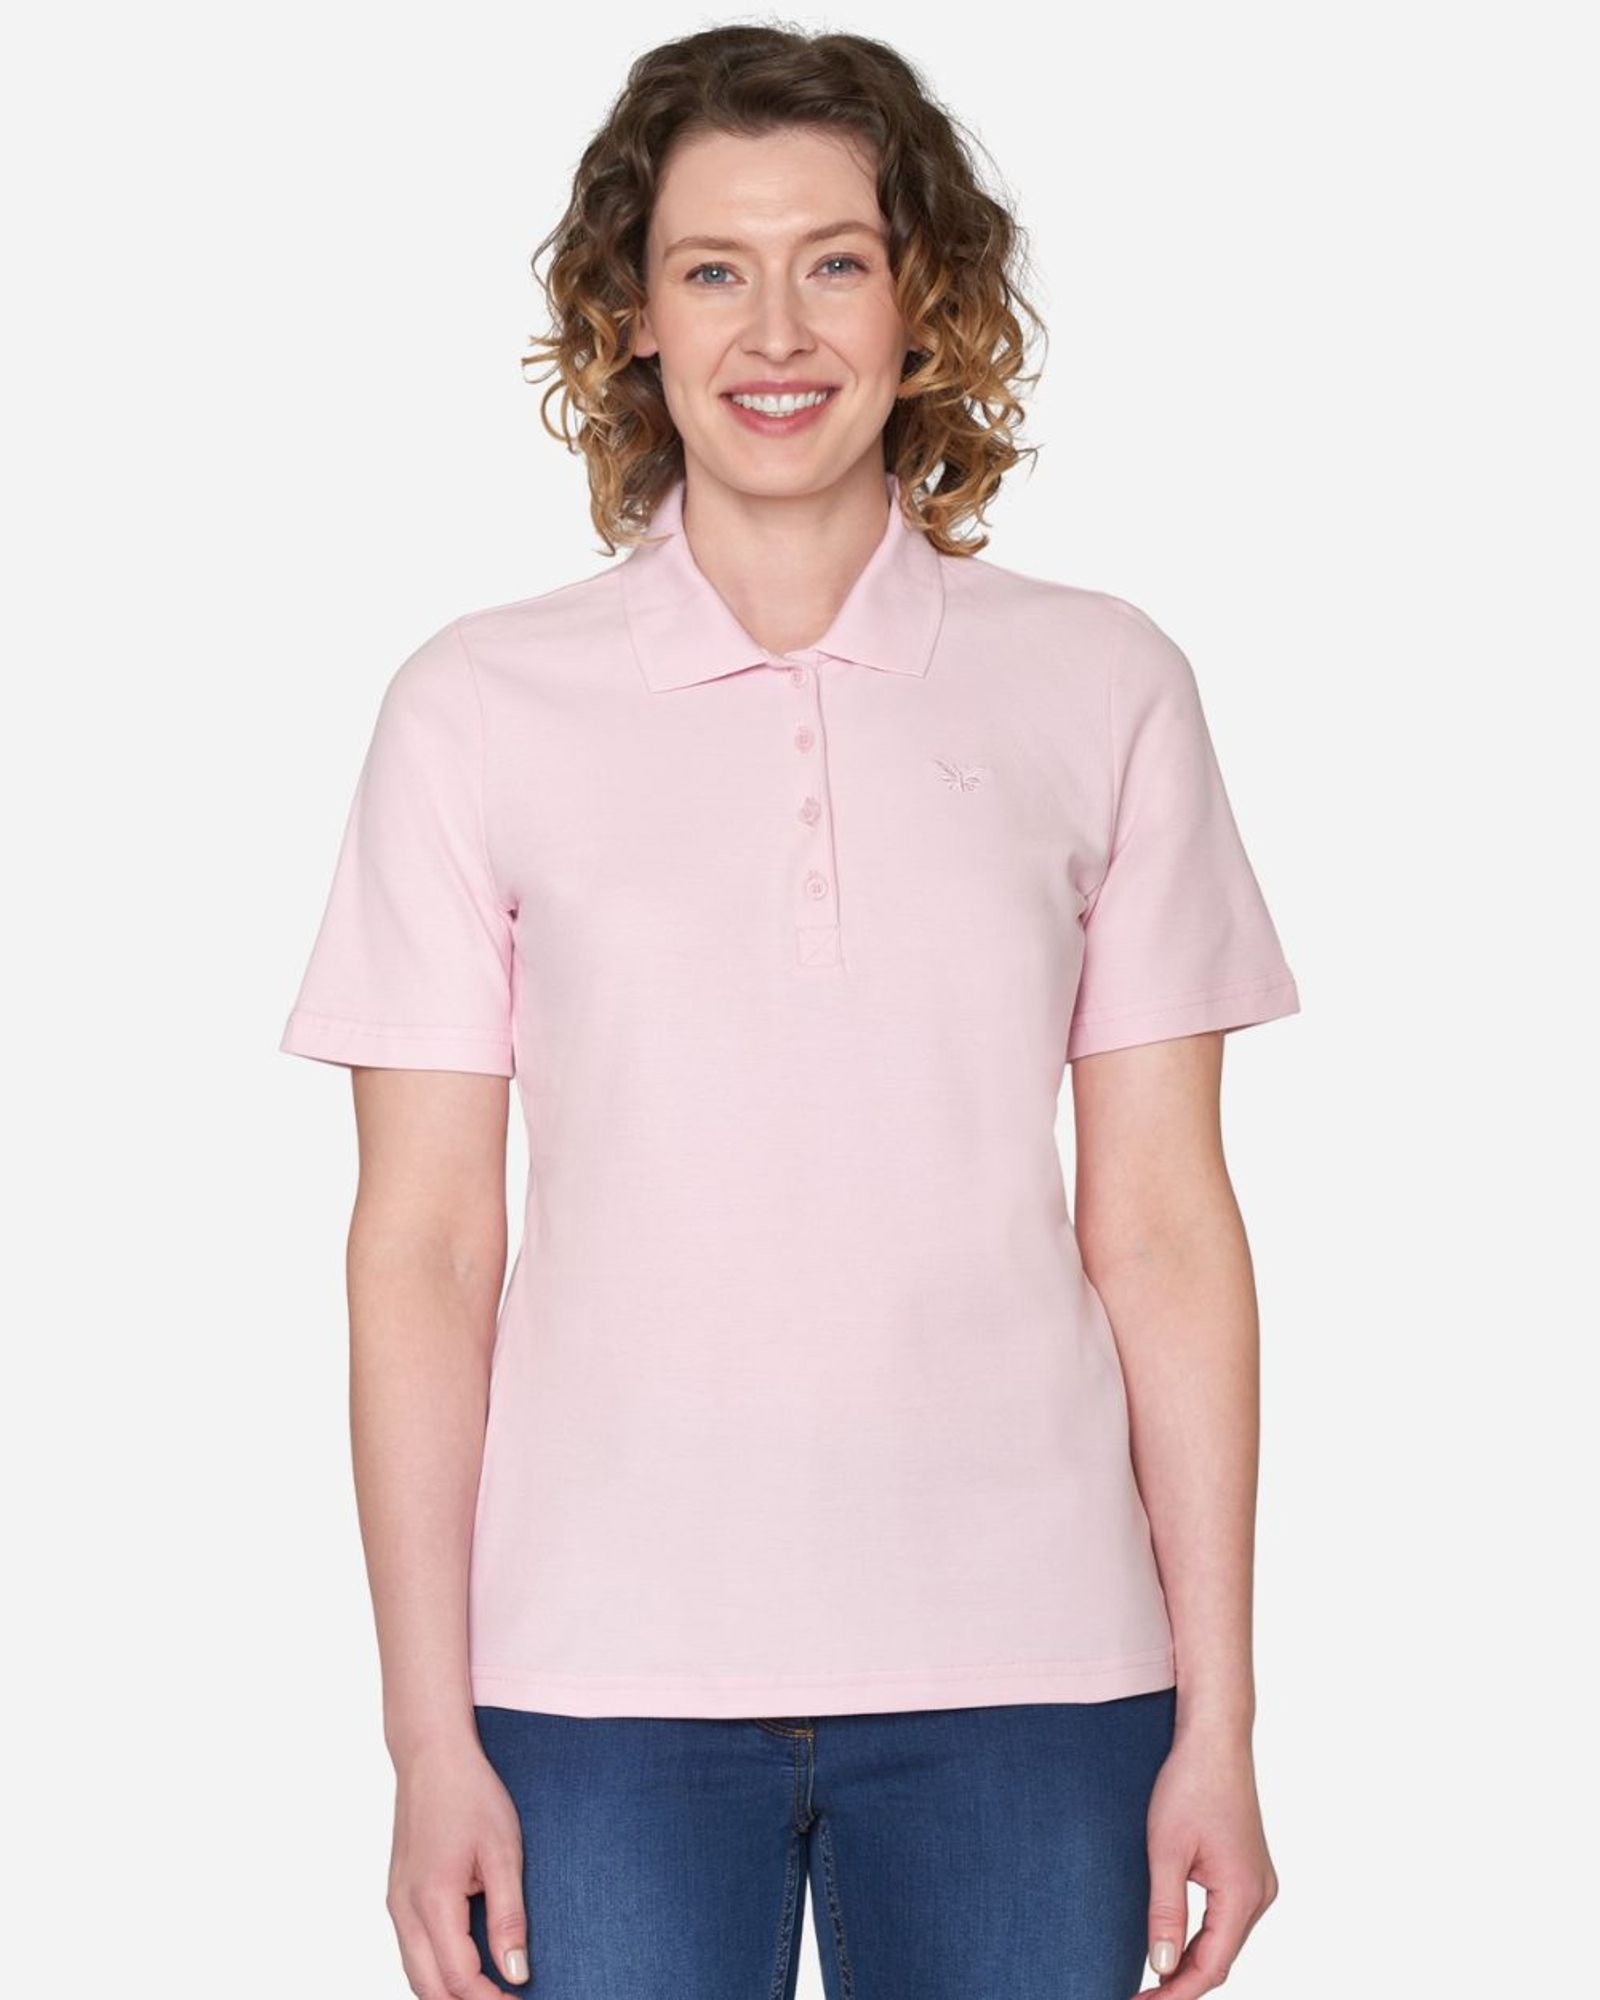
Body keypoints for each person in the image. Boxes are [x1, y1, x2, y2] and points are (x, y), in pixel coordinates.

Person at [279, 25, 1299, 2000]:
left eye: (834, 260)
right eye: (710, 268)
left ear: (925, 305)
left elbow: (1167, 1228)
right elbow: (423, 1249)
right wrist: (424, 1738)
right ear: (632, 317)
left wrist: (1222, 1721)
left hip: (1036, 1667)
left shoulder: (1102, 685)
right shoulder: (473, 709)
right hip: (589, 1684)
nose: (775, 330)